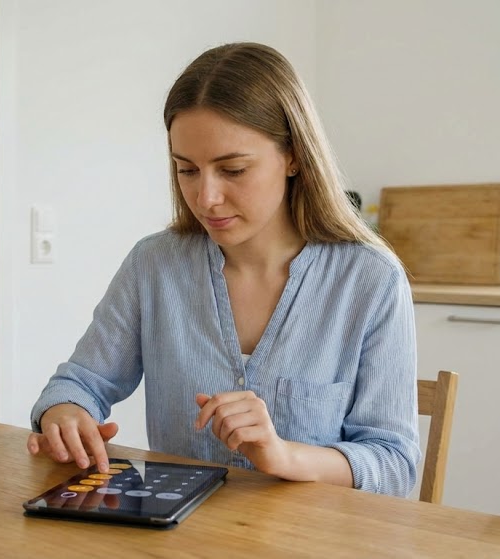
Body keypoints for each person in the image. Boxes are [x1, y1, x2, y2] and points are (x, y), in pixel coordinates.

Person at [27, 42, 420, 497]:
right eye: (187, 170)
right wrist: (65, 414)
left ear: (293, 156)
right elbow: (78, 382)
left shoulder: (371, 280)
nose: (206, 198)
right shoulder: (154, 265)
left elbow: (394, 465)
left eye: (232, 169)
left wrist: (284, 455)